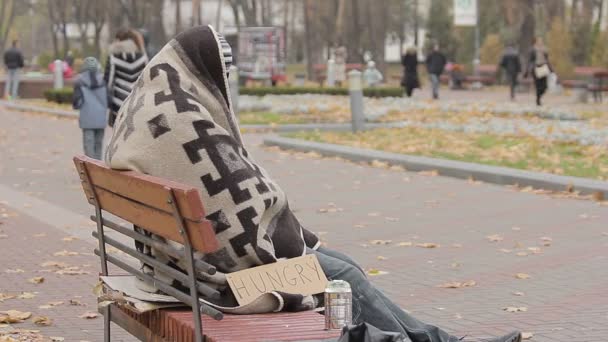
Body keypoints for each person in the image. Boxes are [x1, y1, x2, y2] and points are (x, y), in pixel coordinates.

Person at [105, 25, 522, 342]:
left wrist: (297, 237)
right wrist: (292, 240)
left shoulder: (150, 108)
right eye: (221, 72)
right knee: (343, 278)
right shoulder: (179, 119)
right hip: (216, 285)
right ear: (201, 67)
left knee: (344, 268)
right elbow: (240, 209)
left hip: (170, 270)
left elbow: (231, 195)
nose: (223, 84)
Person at [104, 28, 148, 127]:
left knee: (118, 135)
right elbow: (146, 80)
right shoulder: (142, 57)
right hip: (137, 102)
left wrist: (107, 101)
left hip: (118, 103)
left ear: (119, 40)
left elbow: (109, 82)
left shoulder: (113, 57)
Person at [73, 57, 107, 160]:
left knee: (89, 145)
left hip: (87, 118)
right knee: (99, 144)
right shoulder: (104, 80)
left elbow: (77, 102)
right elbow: (109, 99)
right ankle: (98, 167)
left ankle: (90, 167)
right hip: (101, 118)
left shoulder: (79, 81)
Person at [525, 37, 552, 106]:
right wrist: (527, 71)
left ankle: (539, 96)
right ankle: (538, 99)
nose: (540, 43)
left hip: (543, 68)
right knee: (538, 85)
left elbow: (548, 60)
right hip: (536, 68)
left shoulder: (545, 50)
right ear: (536, 42)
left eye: (541, 41)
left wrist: (551, 69)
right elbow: (529, 61)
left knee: (544, 86)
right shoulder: (532, 50)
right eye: (538, 41)